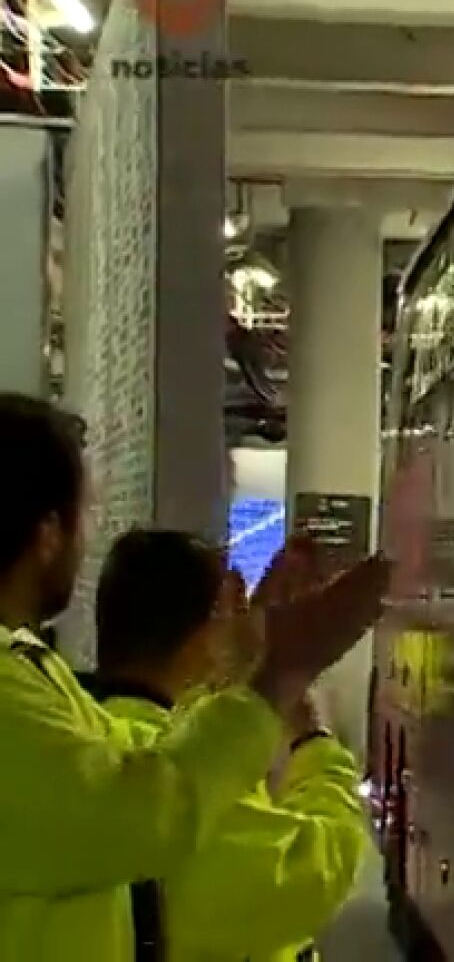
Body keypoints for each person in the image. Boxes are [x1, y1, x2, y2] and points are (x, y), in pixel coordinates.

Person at [0, 393, 388, 961]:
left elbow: (135, 770)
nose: (90, 535)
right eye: (86, 513)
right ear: (48, 533)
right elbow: (146, 812)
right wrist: (285, 687)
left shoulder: (35, 669)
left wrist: (241, 677)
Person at [80, 530, 367, 962]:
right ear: (204, 636)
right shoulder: (187, 788)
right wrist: (311, 737)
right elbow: (317, 866)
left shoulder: (80, 742)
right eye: (226, 615)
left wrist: (244, 679)